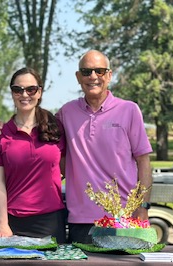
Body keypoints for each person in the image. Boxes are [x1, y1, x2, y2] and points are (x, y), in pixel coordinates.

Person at [57, 50, 153, 243]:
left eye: (99, 71)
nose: (93, 76)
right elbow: (37, 133)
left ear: (109, 75)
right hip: (81, 221)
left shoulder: (129, 110)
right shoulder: (66, 113)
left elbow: (143, 162)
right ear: (78, 77)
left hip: (124, 218)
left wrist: (142, 207)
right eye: (86, 72)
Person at [0, 67, 66, 243]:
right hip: (12, 223)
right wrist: (2, 224)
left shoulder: (56, 128)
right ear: (12, 93)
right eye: (18, 89)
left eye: (31, 89)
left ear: (39, 92)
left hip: (51, 221)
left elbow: (67, 169)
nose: (24, 95)